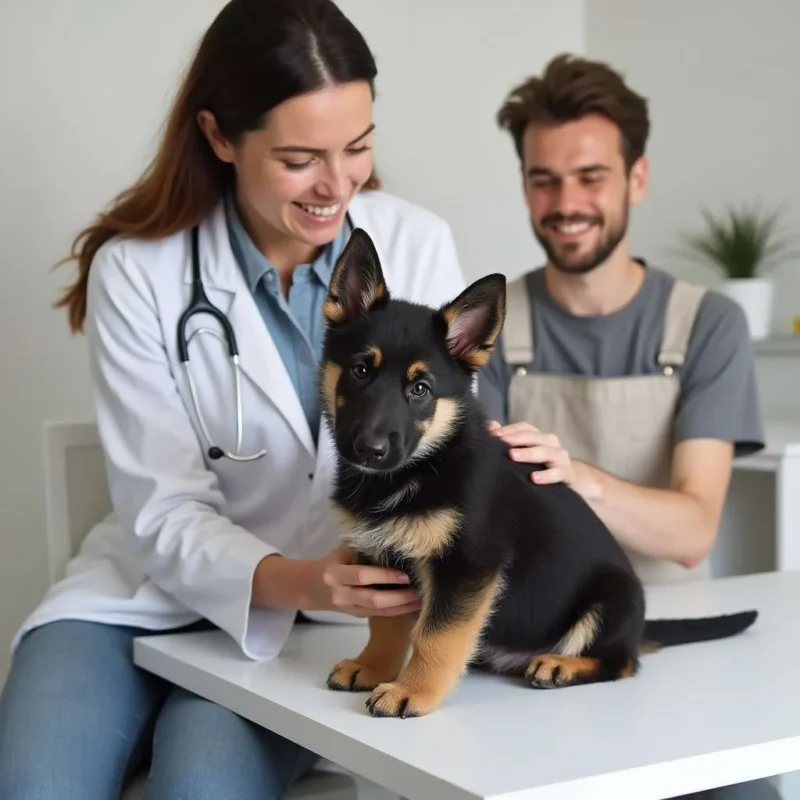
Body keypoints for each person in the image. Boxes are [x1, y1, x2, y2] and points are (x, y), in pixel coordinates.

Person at [0, 1, 466, 797]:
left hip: (324, 624)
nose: (337, 185)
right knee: (36, 785)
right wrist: (300, 578)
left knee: (201, 786)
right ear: (220, 137)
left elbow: (454, 451)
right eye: (299, 159)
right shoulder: (137, 270)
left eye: (357, 148)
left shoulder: (416, 242)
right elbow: (162, 508)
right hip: (139, 596)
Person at [479, 54, 778, 800]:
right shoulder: (487, 325)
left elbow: (691, 535)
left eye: (590, 177)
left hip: (663, 640)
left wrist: (575, 475)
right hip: (526, 645)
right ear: (524, 187)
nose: (565, 201)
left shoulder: (707, 325)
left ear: (636, 179)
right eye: (544, 179)